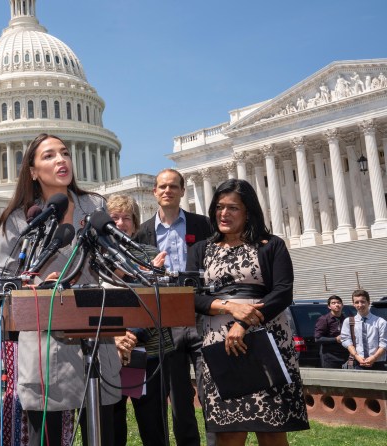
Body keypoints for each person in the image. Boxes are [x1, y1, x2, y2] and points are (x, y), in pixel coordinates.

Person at [0, 133, 121, 445]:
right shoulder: (20, 220)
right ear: (33, 171)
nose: (61, 160)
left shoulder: (95, 207)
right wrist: (38, 284)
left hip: (96, 335)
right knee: (48, 436)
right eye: (49, 156)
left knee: (105, 433)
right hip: (44, 342)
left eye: (64, 153)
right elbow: (4, 285)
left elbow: (111, 264)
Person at [186, 178, 309, 445]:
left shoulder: (271, 245)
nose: (224, 214)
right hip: (219, 348)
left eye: (233, 208)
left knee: (271, 430)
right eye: (219, 207)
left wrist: (243, 323)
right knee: (229, 433)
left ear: (248, 211)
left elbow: (282, 292)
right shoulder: (200, 250)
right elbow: (191, 296)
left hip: (267, 343)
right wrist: (229, 307)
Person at [132, 168, 212, 446]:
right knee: (179, 396)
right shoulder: (142, 233)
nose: (167, 191)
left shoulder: (202, 225)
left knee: (211, 392)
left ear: (182, 190)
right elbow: (137, 279)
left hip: (202, 316)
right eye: (162, 187)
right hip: (166, 322)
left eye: (173, 186)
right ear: (154, 192)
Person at [105, 193, 173, 446]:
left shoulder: (150, 254)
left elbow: (158, 301)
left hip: (149, 352)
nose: (121, 223)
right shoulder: (93, 260)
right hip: (108, 353)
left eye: (127, 218)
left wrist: (131, 335)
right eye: (114, 218)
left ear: (135, 225)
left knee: (153, 425)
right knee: (111, 425)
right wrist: (114, 336)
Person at [340, 289, 387, 370]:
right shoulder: (348, 321)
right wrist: (356, 356)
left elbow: (384, 343)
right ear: (353, 304)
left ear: (368, 302)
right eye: (356, 302)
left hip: (377, 363)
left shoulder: (380, 322)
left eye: (363, 301)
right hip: (358, 362)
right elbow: (346, 340)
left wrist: (374, 357)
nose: (360, 305)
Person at [314, 295, 350, 368]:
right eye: (333, 303)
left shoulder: (346, 319)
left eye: (339, 303)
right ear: (329, 306)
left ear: (342, 305)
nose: (336, 305)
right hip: (330, 357)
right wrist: (335, 339)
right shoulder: (324, 319)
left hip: (346, 356)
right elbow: (318, 339)